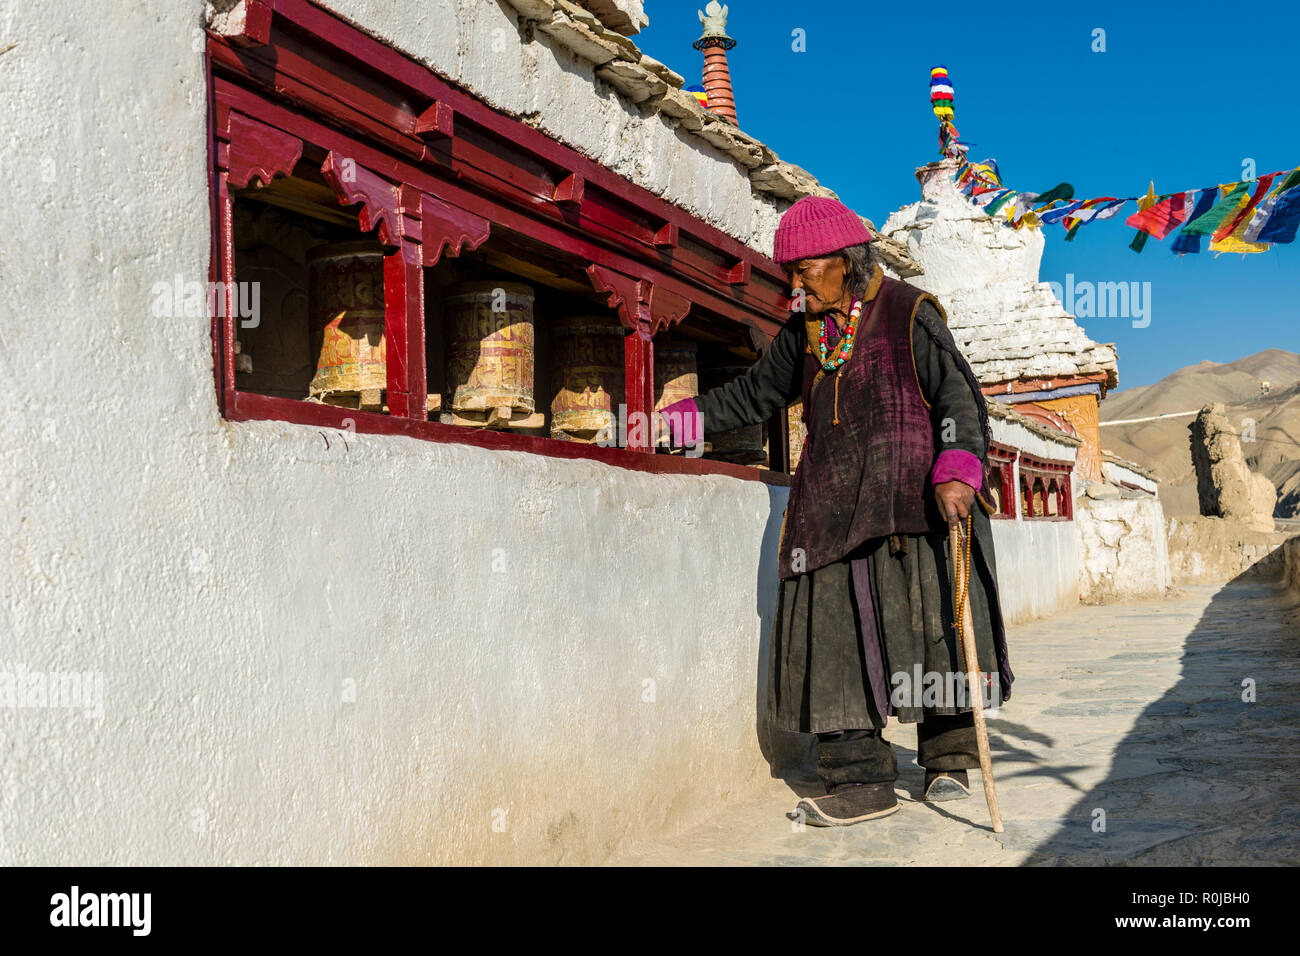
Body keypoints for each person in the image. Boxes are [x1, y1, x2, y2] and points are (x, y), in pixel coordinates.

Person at [659, 196, 1013, 826]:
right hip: (830, 508)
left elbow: (959, 394)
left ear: (847, 262)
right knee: (834, 642)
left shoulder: (908, 312)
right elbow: (754, 394)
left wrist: (958, 464)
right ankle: (860, 780)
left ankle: (949, 762)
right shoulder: (804, 332)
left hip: (916, 504)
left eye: (805, 270)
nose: (796, 284)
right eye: (790, 273)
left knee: (934, 631)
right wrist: (674, 422)